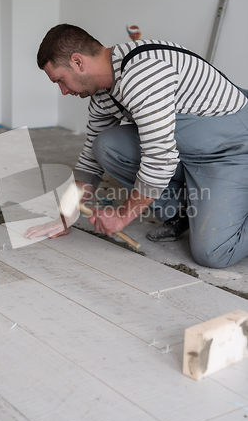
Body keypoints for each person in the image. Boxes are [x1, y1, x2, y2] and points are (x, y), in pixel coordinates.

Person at [26, 23, 248, 269]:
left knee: (214, 252)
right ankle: (179, 213)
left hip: (230, 150)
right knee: (106, 145)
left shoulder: (142, 75)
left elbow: (160, 159)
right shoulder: (104, 92)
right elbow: (90, 157)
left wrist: (122, 216)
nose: (64, 91)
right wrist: (67, 214)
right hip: (187, 150)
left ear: (78, 62)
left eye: (61, 80)